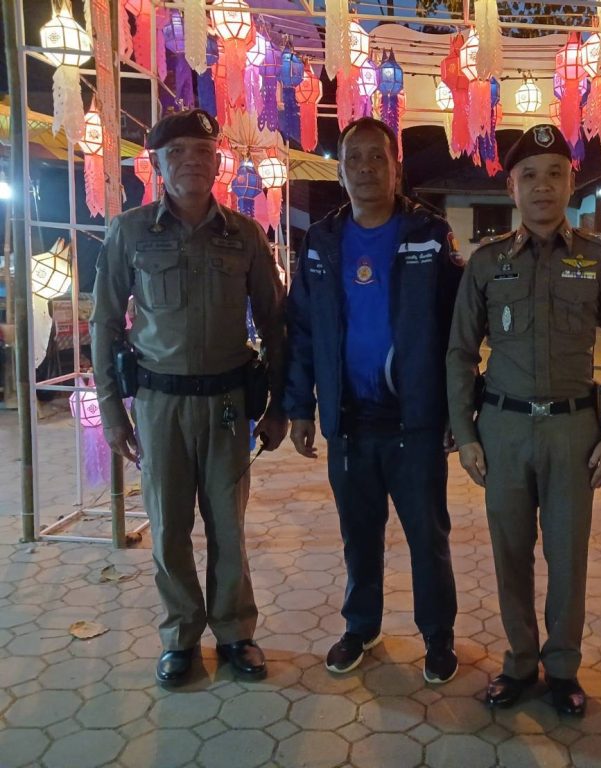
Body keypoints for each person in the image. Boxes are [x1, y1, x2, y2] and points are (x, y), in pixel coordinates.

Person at [447, 124, 601, 716]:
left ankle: (562, 668)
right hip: (503, 430)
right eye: (528, 176)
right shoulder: (487, 263)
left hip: (572, 433)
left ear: (571, 182)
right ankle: (519, 661)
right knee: (510, 553)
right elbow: (460, 352)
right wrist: (465, 434)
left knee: (567, 556)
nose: (542, 186)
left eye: (555, 173)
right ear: (511, 188)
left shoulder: (599, 258)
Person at [90, 109, 287, 687]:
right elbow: (105, 324)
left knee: (228, 526)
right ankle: (179, 637)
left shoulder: (245, 235)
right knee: (169, 527)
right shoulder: (129, 232)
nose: (190, 163)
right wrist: (111, 412)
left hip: (227, 403)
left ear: (218, 162)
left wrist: (279, 405)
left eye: (202, 152)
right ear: (156, 164)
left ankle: (235, 632)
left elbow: (275, 325)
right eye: (176, 153)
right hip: (159, 405)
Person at [284, 117, 461, 684]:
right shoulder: (322, 241)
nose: (365, 168)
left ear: (395, 167)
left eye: (376, 157)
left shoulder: (429, 234)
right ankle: (361, 627)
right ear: (340, 171)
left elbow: (459, 331)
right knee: (359, 535)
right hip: (348, 421)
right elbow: (302, 329)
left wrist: (459, 411)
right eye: (353, 158)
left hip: (415, 422)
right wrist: (299, 407)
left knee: (427, 537)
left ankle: (437, 636)